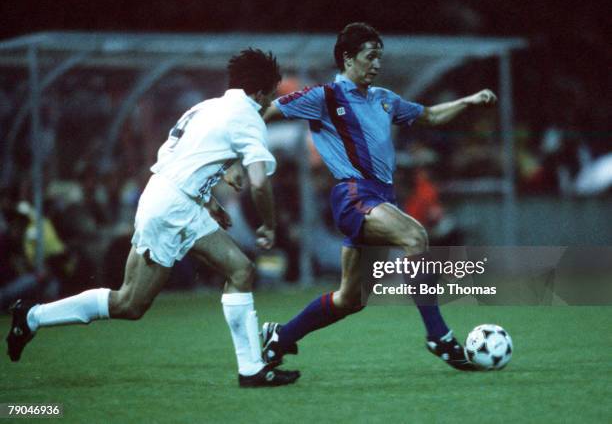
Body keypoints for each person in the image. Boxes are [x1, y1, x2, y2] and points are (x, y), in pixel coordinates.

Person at [5, 48, 300, 388]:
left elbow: (176, 158)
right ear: (260, 92)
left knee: (241, 270)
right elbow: (260, 185)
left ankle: (252, 370)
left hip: (177, 201)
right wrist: (269, 225)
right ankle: (33, 315)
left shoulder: (205, 107)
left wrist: (208, 201)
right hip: (170, 208)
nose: (271, 103)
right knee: (129, 303)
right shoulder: (249, 117)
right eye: (272, 94)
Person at [261, 22, 497, 371]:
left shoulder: (384, 99)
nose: (377, 64)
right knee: (415, 236)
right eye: (370, 57)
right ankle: (439, 336)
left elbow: (429, 116)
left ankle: (280, 337)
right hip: (353, 195)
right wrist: (238, 151)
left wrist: (469, 100)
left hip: (381, 199)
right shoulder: (324, 97)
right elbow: (264, 111)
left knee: (350, 299)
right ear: (347, 58)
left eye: (379, 58)